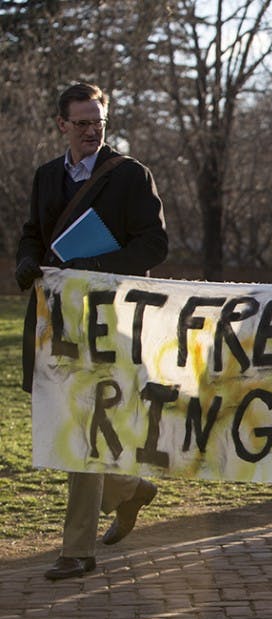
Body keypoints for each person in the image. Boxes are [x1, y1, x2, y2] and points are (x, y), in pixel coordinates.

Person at [15, 83, 168, 580]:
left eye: (97, 121)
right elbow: (34, 234)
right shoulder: (45, 177)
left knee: (85, 430)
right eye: (81, 122)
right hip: (57, 321)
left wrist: (95, 265)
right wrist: (24, 262)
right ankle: (129, 490)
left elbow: (154, 245)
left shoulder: (130, 175)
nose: (90, 130)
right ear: (61, 124)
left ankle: (76, 550)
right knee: (68, 427)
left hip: (111, 322)